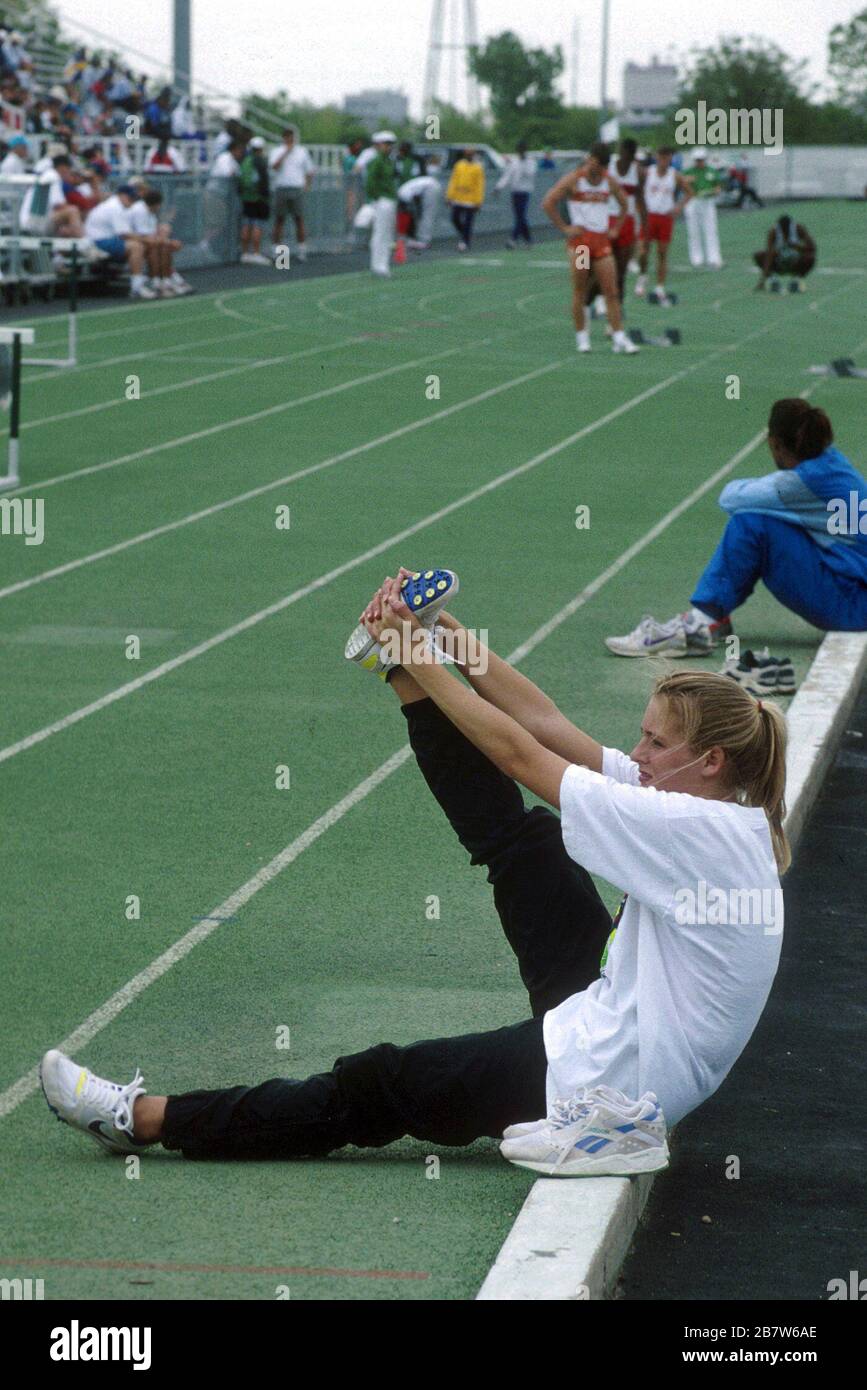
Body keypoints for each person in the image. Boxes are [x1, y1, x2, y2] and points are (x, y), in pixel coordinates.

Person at [41, 568, 787, 1177]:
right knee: (531, 846)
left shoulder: (692, 830)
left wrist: (421, 653)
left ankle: (143, 1119)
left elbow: (521, 754)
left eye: (653, 743)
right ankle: (394, 670)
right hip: (616, 1011)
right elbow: (548, 723)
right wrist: (441, 638)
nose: (637, 754)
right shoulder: (710, 807)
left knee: (382, 1083)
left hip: (607, 1081)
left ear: (709, 761)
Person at [606, 400, 867, 660]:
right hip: (857, 595)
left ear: (774, 443)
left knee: (752, 523)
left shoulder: (804, 481)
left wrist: (771, 492)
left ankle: (700, 624)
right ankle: (713, 619)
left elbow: (730, 499)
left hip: (854, 607)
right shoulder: (832, 463)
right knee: (769, 521)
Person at [541, 141, 638, 355]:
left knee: (611, 291)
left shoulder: (608, 181)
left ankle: (619, 337)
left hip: (601, 242)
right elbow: (548, 202)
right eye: (596, 164)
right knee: (581, 290)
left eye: (602, 167)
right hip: (581, 244)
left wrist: (616, 228)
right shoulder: (575, 179)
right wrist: (564, 228)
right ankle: (582, 337)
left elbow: (624, 204)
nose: (598, 170)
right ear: (590, 160)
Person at [634, 146, 692, 305]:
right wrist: (639, 207)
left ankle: (660, 286)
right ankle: (643, 275)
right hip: (649, 216)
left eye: (667, 158)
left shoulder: (675, 175)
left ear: (670, 159)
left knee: (662, 253)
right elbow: (637, 190)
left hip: (665, 217)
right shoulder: (648, 173)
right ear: (657, 157)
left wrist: (678, 207)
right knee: (643, 251)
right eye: (661, 157)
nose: (664, 161)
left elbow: (689, 192)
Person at [84, 182, 156, 299]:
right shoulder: (115, 207)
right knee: (136, 247)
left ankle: (155, 281)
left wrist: (147, 240)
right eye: (130, 198)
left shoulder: (118, 206)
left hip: (105, 239)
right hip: (97, 241)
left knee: (141, 244)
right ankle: (137, 287)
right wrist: (147, 240)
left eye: (134, 199)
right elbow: (124, 234)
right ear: (121, 195)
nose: (132, 201)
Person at [127, 187, 193, 297]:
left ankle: (166, 281)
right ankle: (158, 282)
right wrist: (169, 242)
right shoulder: (139, 211)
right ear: (157, 205)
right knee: (159, 246)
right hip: (134, 241)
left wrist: (165, 238)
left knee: (163, 243)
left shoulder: (149, 211)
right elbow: (145, 237)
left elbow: (152, 233)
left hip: (143, 240)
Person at [268, 126, 314, 263]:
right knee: (279, 220)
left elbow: (309, 170)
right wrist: (285, 153)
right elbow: (274, 167)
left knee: (299, 219)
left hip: (296, 188)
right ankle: (279, 254)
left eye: (291, 137)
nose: (289, 139)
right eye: (287, 137)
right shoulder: (277, 151)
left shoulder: (302, 151)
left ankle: (301, 251)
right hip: (281, 188)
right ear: (283, 138)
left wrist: (307, 185)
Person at [364, 129, 398, 277]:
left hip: (389, 199)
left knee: (386, 233)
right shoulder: (377, 161)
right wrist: (376, 197)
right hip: (382, 199)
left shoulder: (388, 161)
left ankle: (383, 263)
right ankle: (378, 265)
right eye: (386, 144)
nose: (389, 147)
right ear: (378, 145)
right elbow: (370, 182)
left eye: (391, 144)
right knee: (380, 232)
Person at [683, 147, 724, 268]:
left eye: (701, 159)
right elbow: (681, 185)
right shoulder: (688, 172)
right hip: (692, 201)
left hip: (708, 202)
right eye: (697, 159)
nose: (699, 162)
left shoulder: (712, 171)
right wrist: (686, 182)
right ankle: (696, 259)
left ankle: (714, 258)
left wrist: (713, 191)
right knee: (693, 231)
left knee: (711, 229)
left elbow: (718, 187)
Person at [754, 214, 815, 292]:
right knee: (759, 255)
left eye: (786, 228)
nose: (784, 231)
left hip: (796, 262)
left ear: (791, 226)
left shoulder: (799, 229)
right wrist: (762, 280)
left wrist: (796, 247)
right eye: (782, 229)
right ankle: (773, 280)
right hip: (779, 262)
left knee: (810, 258)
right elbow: (769, 256)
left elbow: (812, 248)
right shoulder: (773, 232)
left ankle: (796, 280)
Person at [496, 139, 536, 249]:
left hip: (525, 191)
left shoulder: (530, 161)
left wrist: (523, 163)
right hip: (515, 191)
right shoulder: (514, 161)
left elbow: (530, 173)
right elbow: (507, 175)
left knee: (520, 216)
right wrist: (499, 187)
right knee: (519, 217)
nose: (520, 152)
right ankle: (528, 240)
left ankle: (513, 239)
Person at [397, 154, 442, 251]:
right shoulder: (404, 192)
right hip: (428, 187)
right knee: (422, 215)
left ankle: (424, 240)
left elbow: (413, 203)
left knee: (427, 214)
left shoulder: (403, 193)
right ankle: (418, 238)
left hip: (430, 187)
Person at [238, 135, 271, 264]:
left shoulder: (245, 161)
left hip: (246, 197)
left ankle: (245, 253)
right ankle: (256, 253)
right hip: (258, 198)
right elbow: (263, 181)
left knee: (246, 224)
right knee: (258, 225)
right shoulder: (260, 161)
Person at [445, 147, 485, 251]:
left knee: (468, 222)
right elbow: (453, 181)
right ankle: (465, 235)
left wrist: (478, 201)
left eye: (470, 154)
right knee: (455, 219)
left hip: (471, 200)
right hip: (458, 198)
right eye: (467, 154)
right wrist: (449, 196)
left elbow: (480, 185)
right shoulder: (459, 165)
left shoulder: (478, 167)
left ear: (473, 155)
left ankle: (465, 242)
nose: (468, 156)